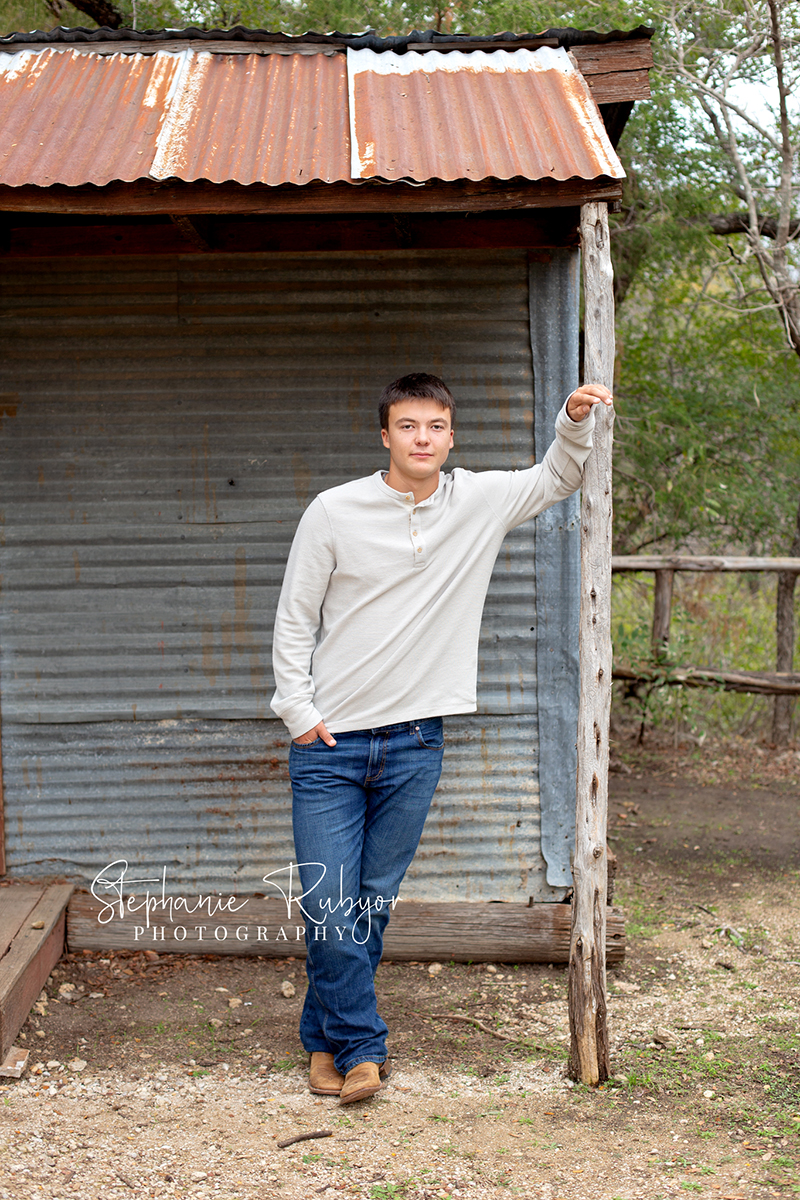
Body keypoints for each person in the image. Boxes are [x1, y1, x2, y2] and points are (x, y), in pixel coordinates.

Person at [270, 372, 612, 1105]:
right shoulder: (334, 511)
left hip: (417, 742)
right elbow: (295, 616)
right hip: (330, 747)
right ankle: (364, 1051)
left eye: (435, 426)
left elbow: (560, 475)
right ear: (385, 435)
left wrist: (572, 418)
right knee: (332, 906)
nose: (422, 438)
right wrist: (296, 709)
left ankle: (322, 1042)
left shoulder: (477, 502)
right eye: (407, 426)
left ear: (450, 436)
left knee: (369, 906)